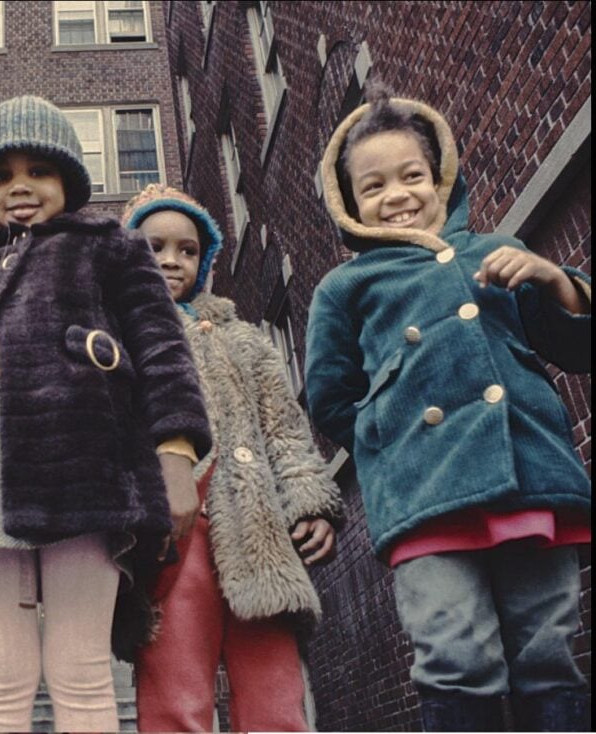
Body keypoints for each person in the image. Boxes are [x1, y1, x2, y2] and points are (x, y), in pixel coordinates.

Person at [0, 95, 211, 732]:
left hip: (88, 473)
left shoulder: (113, 249)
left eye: (38, 171)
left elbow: (166, 356)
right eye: (0, 176)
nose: (19, 188)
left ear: (70, 181)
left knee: (80, 666)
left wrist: (176, 457)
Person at [305, 81, 591, 732]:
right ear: (349, 204)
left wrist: (556, 280)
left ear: (442, 178)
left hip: (529, 480)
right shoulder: (345, 288)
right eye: (373, 187)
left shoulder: (496, 251)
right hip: (424, 499)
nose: (397, 195)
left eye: (412, 175)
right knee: (457, 655)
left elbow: (577, 347)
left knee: (547, 652)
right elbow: (332, 397)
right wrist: (401, 448)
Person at [123, 184, 343, 732]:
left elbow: (286, 434)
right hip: (173, 537)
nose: (171, 260)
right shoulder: (118, 339)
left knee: (275, 695)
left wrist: (310, 505)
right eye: (153, 247)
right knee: (175, 694)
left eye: (187, 249)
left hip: (260, 532)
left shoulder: (244, 340)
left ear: (205, 261)